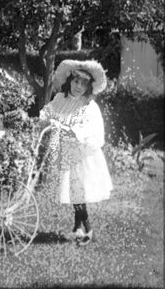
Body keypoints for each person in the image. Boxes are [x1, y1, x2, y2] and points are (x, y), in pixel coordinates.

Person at [39, 59, 113, 246]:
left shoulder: (88, 106)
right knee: (74, 193)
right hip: (64, 152)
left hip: (82, 155)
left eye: (83, 84)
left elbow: (91, 129)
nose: (79, 87)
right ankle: (78, 227)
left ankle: (86, 228)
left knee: (78, 192)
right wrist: (46, 120)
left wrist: (69, 129)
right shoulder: (60, 99)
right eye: (76, 81)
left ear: (89, 87)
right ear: (69, 81)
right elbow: (47, 112)